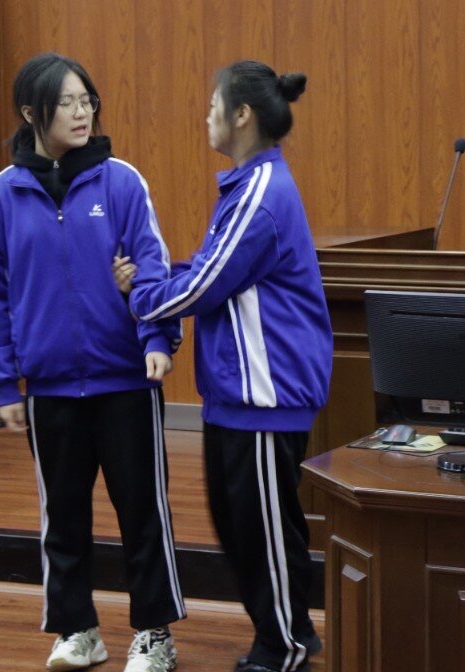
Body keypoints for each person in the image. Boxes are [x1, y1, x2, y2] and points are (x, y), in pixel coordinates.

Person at [0, 52, 185, 672]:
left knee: (143, 512)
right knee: (61, 518)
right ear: (31, 112)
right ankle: (78, 630)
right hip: (50, 388)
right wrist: (4, 384)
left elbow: (152, 265)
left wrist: (156, 339)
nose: (80, 111)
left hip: (126, 381)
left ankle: (154, 635)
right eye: (65, 102)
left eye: (86, 99)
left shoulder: (122, 182)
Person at [125, 60, 331, 672]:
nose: (207, 115)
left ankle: (285, 646)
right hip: (236, 397)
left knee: (263, 531)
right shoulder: (245, 188)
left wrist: (141, 296)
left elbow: (203, 286)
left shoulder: (263, 194)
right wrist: (156, 285)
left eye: (214, 105)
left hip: (266, 398)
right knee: (241, 526)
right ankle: (284, 634)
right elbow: (203, 269)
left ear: (242, 115)